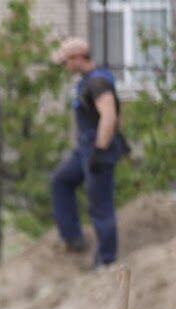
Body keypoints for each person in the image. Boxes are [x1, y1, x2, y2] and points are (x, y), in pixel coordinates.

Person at [50, 36, 126, 267]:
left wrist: (100, 151)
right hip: (84, 150)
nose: (65, 67)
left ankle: (106, 261)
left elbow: (110, 116)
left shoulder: (97, 83)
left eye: (66, 62)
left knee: (100, 206)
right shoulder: (85, 82)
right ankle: (72, 238)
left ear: (78, 58)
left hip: (97, 150)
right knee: (61, 181)